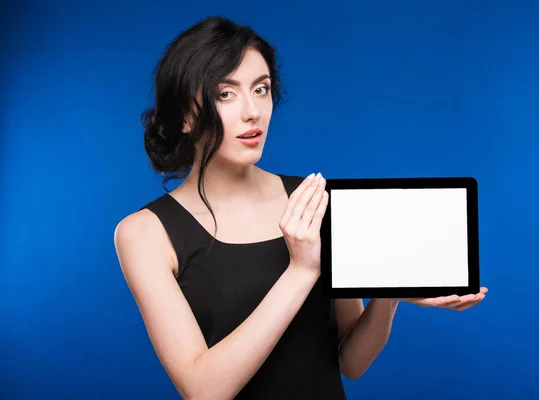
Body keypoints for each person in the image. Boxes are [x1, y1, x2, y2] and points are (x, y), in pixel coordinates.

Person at [113, 15, 488, 400]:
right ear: (186, 116)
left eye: (261, 89)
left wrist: (387, 290)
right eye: (225, 94)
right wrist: (303, 269)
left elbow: (351, 363)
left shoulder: (313, 200)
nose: (252, 111)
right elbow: (204, 390)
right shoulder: (144, 233)